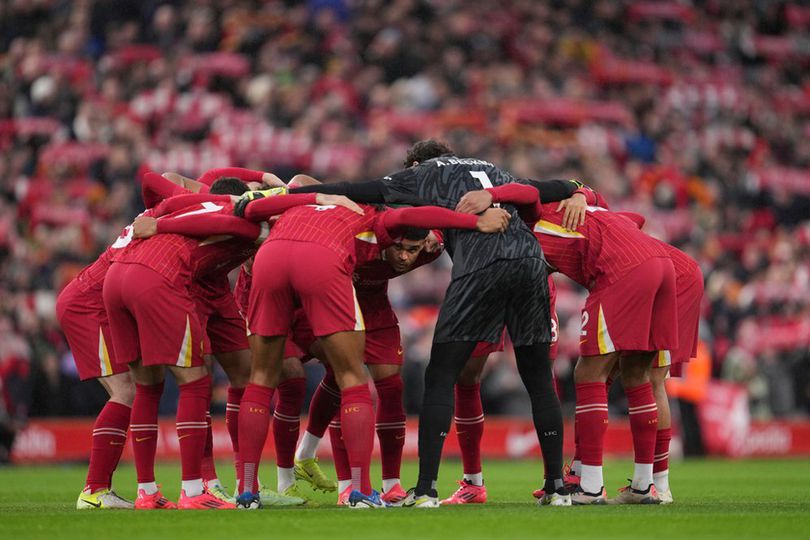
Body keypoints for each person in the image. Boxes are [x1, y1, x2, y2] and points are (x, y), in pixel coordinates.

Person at [291, 139, 581, 507]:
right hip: (532, 264)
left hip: (483, 265)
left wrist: (302, 194)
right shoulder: (492, 169)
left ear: (414, 164)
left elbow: (356, 190)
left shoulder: (423, 176)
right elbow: (549, 187)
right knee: (539, 379)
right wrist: (579, 190)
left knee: (442, 374)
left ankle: (426, 488)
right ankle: (556, 487)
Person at [233, 192, 511, 509]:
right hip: (322, 261)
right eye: (401, 246)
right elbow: (408, 218)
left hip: (272, 258)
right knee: (351, 378)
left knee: (261, 379)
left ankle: (246, 492)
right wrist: (476, 221)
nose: (406, 256)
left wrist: (314, 194)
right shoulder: (373, 216)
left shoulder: (299, 202)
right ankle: (359, 491)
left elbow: (254, 206)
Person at [456, 182, 678, 505]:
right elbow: (635, 218)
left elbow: (529, 192)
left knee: (588, 375)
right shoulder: (576, 213)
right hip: (661, 262)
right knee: (637, 374)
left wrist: (493, 195)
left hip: (622, 271)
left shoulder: (530, 220)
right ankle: (646, 485)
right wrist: (583, 196)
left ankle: (590, 485)